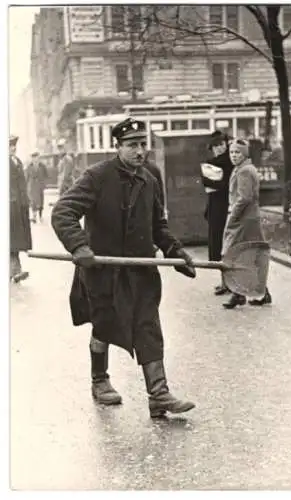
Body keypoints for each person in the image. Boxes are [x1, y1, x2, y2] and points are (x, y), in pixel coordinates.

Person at [51, 117, 196, 418]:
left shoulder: (150, 180)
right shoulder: (97, 176)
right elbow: (63, 211)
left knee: (148, 325)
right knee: (104, 325)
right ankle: (99, 380)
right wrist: (79, 246)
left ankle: (159, 395)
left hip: (140, 270)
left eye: (143, 144)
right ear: (117, 147)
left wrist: (175, 250)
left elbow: (158, 226)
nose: (140, 151)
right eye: (132, 145)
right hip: (103, 269)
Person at [222, 138, 272, 309]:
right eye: (231, 152)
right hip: (249, 218)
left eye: (237, 152)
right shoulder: (244, 168)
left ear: (244, 154)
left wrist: (232, 216)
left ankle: (238, 293)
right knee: (248, 255)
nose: (234, 155)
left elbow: (244, 198)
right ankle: (259, 292)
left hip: (243, 220)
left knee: (235, 254)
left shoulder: (244, 171)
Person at [200, 131, 234, 295]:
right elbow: (210, 186)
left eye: (221, 145)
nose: (220, 148)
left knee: (227, 244)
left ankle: (230, 283)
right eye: (216, 146)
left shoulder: (229, 162)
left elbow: (218, 185)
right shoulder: (212, 163)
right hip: (216, 206)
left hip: (226, 206)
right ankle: (225, 282)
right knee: (220, 245)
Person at [9, 135, 32, 283]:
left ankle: (14, 270)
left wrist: (25, 201)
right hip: (10, 204)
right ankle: (15, 270)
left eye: (14, 145)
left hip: (18, 205)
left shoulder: (17, 161)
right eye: (10, 145)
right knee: (11, 238)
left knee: (15, 238)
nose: (13, 148)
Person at [25, 151, 48, 222]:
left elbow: (46, 175)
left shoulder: (42, 166)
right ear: (32, 158)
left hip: (40, 186)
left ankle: (41, 216)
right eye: (33, 157)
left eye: (36, 157)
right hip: (32, 186)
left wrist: (44, 184)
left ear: (38, 157)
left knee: (41, 201)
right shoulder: (29, 166)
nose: (35, 159)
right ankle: (34, 217)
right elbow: (26, 177)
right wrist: (26, 187)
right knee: (33, 202)